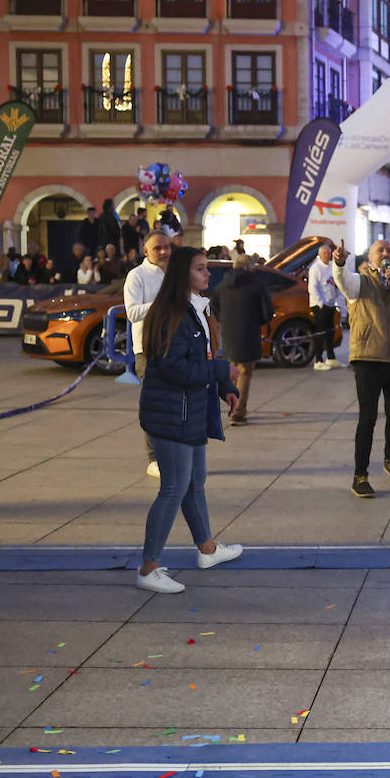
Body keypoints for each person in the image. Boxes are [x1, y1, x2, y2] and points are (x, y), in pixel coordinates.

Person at [135, 246, 243, 593]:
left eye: (207, 268)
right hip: (172, 415)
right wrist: (222, 370)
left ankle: (207, 550)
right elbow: (173, 367)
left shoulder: (195, 309)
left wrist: (224, 382)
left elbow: (206, 355)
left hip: (189, 412)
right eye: (200, 269)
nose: (208, 274)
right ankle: (149, 567)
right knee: (173, 489)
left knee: (195, 482)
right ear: (184, 274)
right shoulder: (172, 314)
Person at [332, 238, 390, 497]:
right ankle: (360, 475)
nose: (385, 253)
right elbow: (343, 284)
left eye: (389, 250)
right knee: (367, 417)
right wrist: (339, 264)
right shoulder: (360, 281)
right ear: (370, 257)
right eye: (380, 250)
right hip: (368, 358)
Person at [125, 231, 176, 477]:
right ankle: (153, 459)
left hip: (176, 348)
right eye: (158, 248)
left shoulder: (176, 275)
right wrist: (163, 303)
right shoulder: (137, 276)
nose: (165, 252)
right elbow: (133, 312)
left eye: (167, 246)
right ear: (145, 251)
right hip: (149, 350)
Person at [212, 257, 274, 426]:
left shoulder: (221, 285)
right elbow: (267, 311)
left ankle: (233, 405)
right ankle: (238, 413)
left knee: (234, 370)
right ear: (249, 267)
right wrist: (260, 321)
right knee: (245, 372)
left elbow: (214, 307)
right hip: (250, 333)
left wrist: (224, 320)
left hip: (229, 333)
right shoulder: (257, 285)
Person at [308, 241, 343, 370]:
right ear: (320, 254)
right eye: (325, 253)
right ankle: (318, 359)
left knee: (330, 331)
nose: (327, 255)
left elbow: (336, 283)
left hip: (330, 303)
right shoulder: (315, 268)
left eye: (329, 253)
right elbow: (313, 287)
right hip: (320, 304)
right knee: (320, 331)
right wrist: (320, 303)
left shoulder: (332, 266)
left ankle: (331, 357)